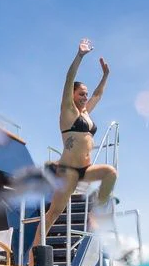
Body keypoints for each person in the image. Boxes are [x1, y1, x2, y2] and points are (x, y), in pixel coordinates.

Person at [35, 38, 117, 247]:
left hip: (86, 168)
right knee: (54, 212)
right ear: (72, 94)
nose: (85, 97)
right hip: (69, 171)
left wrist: (106, 75)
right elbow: (68, 78)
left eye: (85, 95)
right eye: (81, 94)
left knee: (110, 173)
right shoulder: (68, 110)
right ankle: (34, 251)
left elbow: (98, 94)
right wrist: (79, 56)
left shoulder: (86, 112)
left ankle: (97, 212)